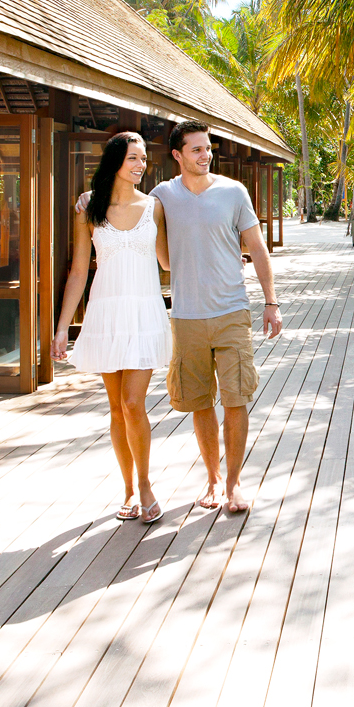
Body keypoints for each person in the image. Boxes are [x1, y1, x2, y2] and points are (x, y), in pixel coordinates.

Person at [77, 120, 283, 514]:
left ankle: (235, 482)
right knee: (199, 402)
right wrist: (91, 195)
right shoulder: (162, 197)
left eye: (208, 149)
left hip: (231, 311)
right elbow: (131, 208)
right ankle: (212, 479)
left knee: (236, 397)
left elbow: (257, 247)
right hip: (185, 316)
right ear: (177, 155)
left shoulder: (233, 191)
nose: (205, 155)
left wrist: (270, 303)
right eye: (197, 150)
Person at [52, 132, 171, 525]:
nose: (141, 166)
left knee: (134, 403)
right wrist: (61, 328)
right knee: (118, 409)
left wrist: (222, 254)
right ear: (115, 161)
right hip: (105, 315)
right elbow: (78, 271)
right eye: (133, 158)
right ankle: (127, 491)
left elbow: (169, 262)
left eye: (143, 160)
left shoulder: (153, 207)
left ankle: (146, 483)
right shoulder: (89, 208)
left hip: (144, 314)